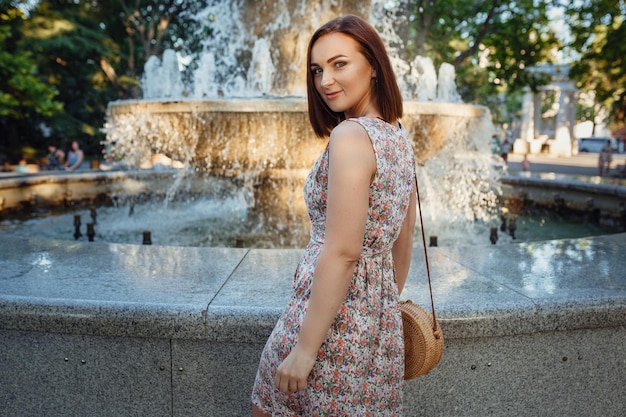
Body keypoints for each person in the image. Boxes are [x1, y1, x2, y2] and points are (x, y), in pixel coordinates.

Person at [251, 15, 417, 415]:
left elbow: (342, 252)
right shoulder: (397, 135)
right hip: (374, 324)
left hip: (324, 321)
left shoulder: (351, 136)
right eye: (316, 69)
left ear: (373, 66)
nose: (325, 80)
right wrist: (378, 308)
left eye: (339, 64)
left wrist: (306, 349)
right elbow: (404, 239)